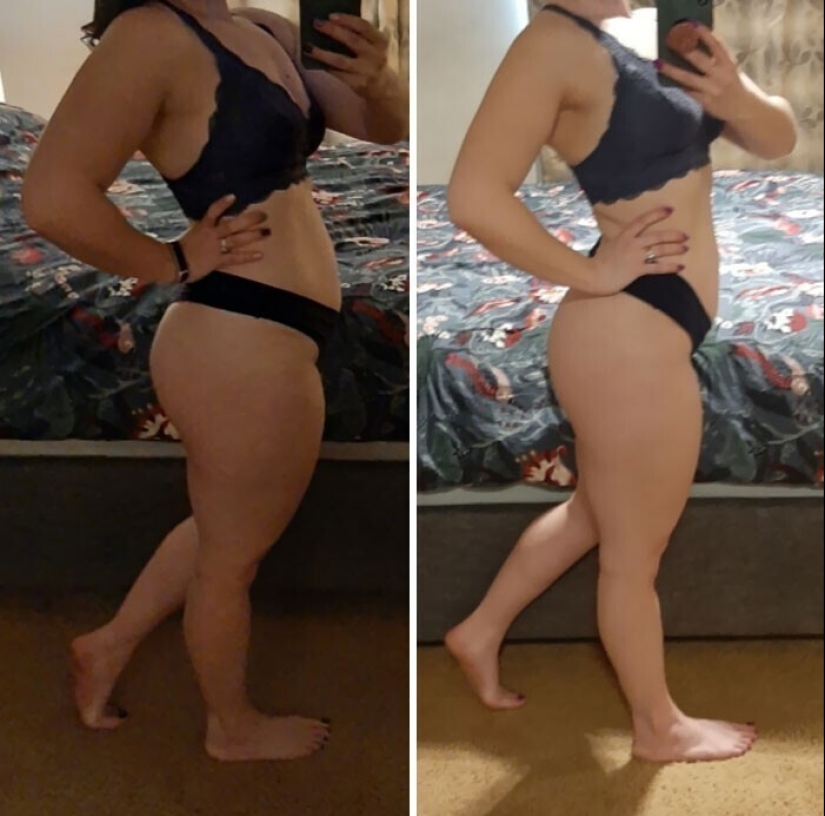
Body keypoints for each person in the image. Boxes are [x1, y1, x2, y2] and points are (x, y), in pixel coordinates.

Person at [22, 0, 407, 762]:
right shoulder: (150, 34)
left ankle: (106, 646)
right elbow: (52, 196)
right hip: (235, 333)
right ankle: (229, 727)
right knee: (231, 561)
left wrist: (382, 82)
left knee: (225, 525)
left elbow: (381, 129)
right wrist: (169, 258)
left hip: (270, 331)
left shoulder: (263, 26)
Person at [445, 0, 796, 763]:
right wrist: (593, 271)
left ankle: (478, 631)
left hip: (643, 328)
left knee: (593, 514)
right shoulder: (549, 43)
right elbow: (471, 196)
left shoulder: (615, 46)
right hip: (625, 331)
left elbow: (778, 139)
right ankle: (655, 727)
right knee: (633, 557)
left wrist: (735, 96)